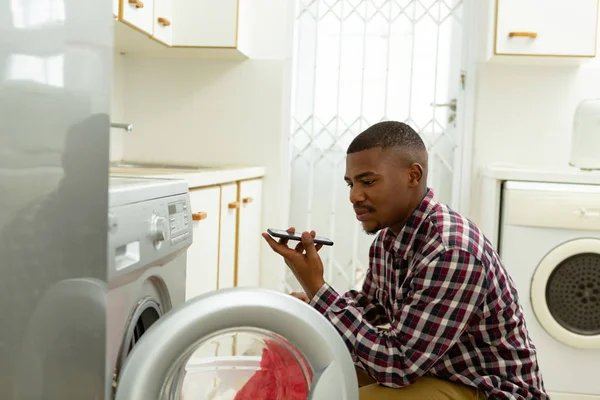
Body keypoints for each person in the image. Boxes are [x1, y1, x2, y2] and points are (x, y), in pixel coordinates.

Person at [262, 121, 548, 400]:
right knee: (306, 372)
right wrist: (314, 304)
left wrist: (319, 288)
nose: (354, 196)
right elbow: (371, 308)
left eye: (368, 181)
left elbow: (398, 365)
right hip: (435, 374)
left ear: (413, 175)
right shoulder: (389, 240)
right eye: (351, 183)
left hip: (488, 390)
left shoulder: (450, 251)